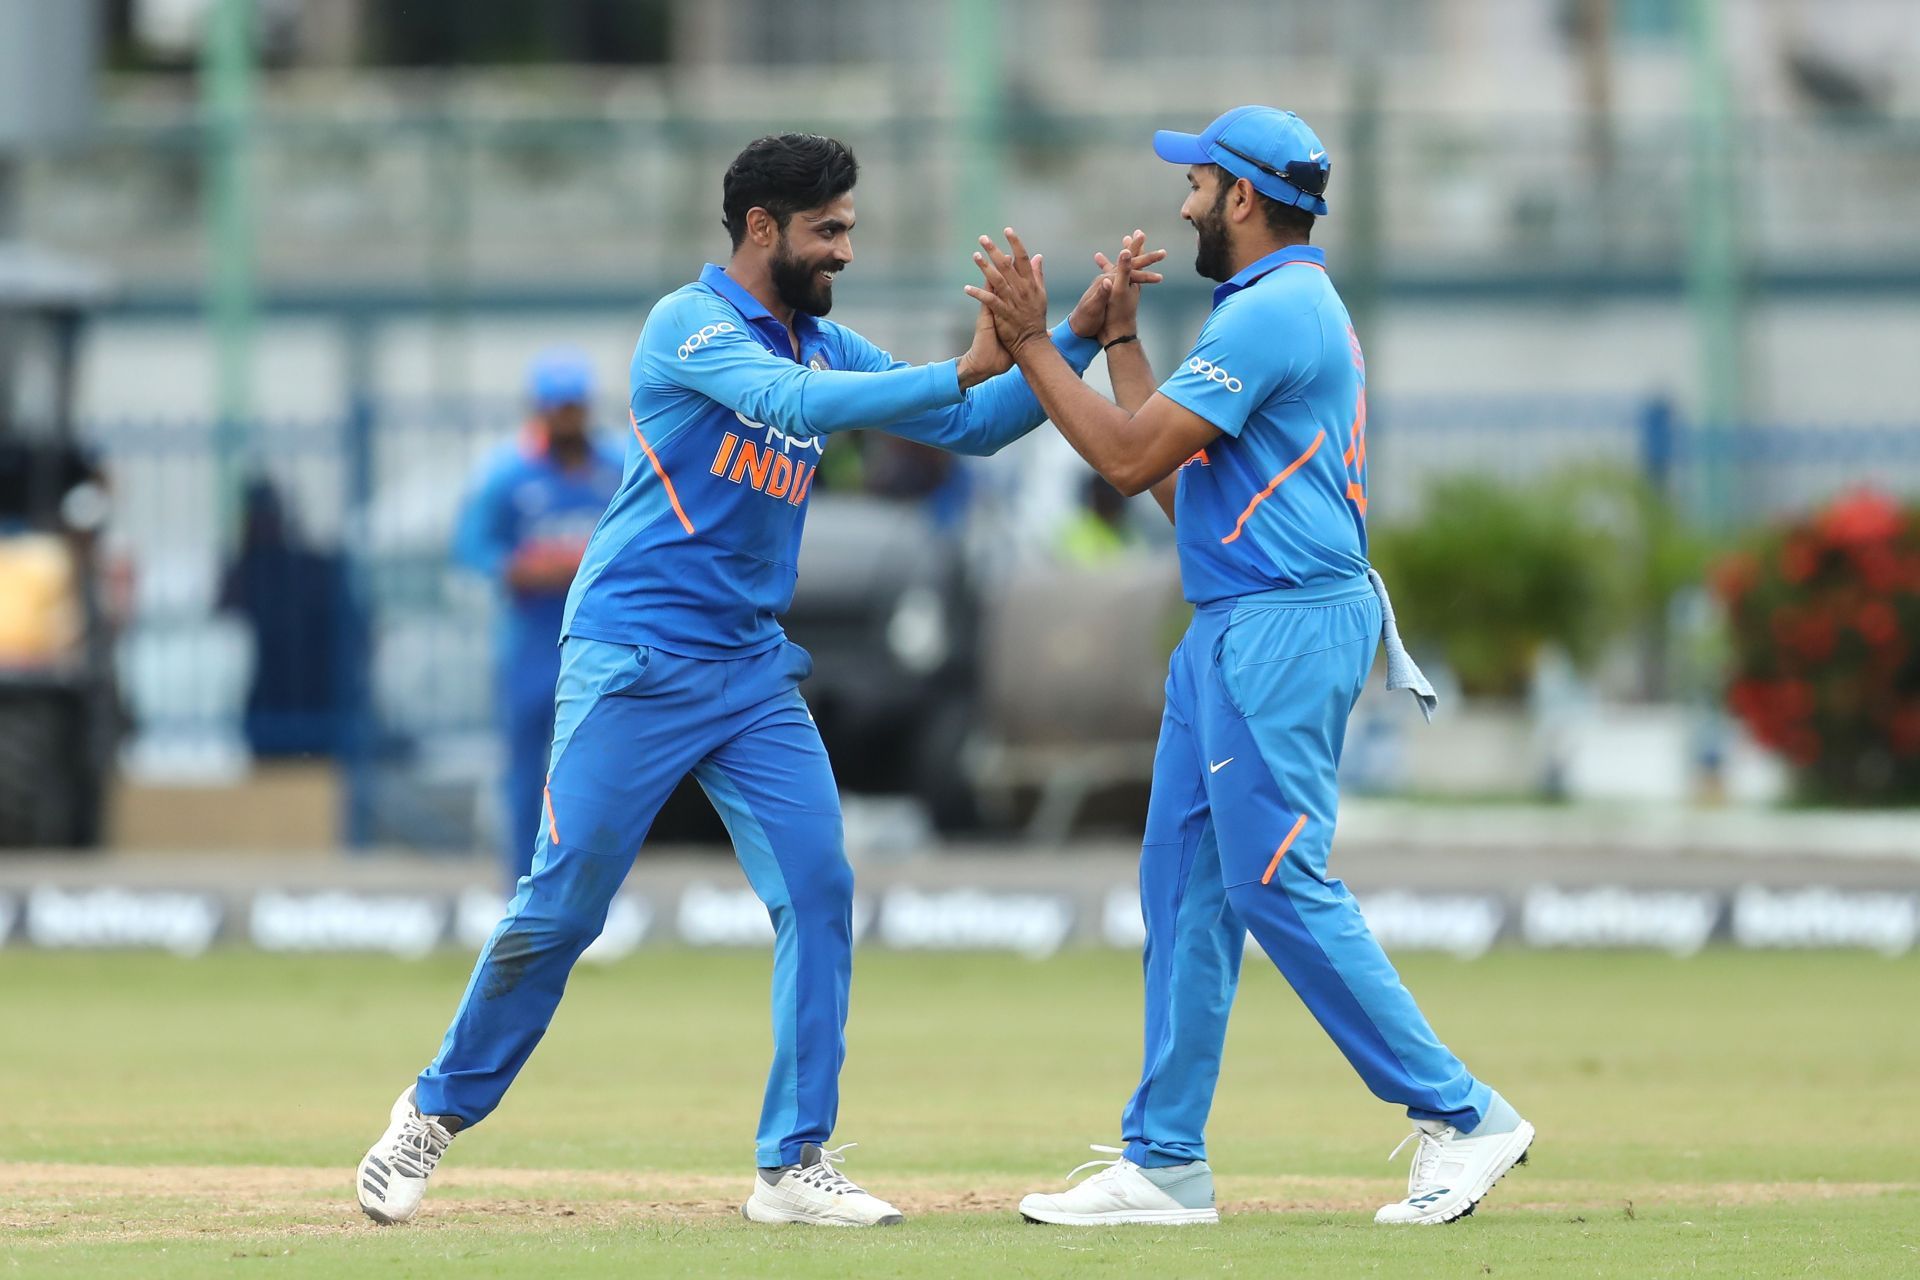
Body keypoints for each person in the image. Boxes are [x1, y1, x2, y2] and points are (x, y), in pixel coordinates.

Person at [356, 132, 1163, 1229]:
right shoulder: (688, 327)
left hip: (746, 669)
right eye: (827, 231)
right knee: (562, 906)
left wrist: (1063, 329)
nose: (842, 251)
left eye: (848, 229)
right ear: (759, 228)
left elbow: (972, 430)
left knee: (819, 886)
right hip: (634, 657)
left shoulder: (825, 343)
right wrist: (972, 357)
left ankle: (791, 1161)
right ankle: (431, 1113)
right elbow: (794, 407)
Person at [966, 106, 1532, 1228]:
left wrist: (1036, 340)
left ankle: (1465, 1116)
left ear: (1243, 197)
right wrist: (1121, 341)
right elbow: (1183, 496)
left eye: (1200, 183)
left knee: (1277, 878)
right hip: (1232, 619)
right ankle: (1165, 1160)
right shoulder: (1261, 312)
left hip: (1280, 629)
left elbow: (1125, 464)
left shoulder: (1277, 313)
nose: (1183, 202)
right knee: (1182, 883)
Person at [451, 351, 625, 886]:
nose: (568, 419)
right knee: (527, 774)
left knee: (598, 772)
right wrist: (524, 569)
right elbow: (472, 548)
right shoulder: (509, 475)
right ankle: (519, 891)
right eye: (557, 408)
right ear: (540, 410)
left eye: (575, 407)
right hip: (531, 644)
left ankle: (594, 891)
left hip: (602, 642)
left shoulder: (616, 468)